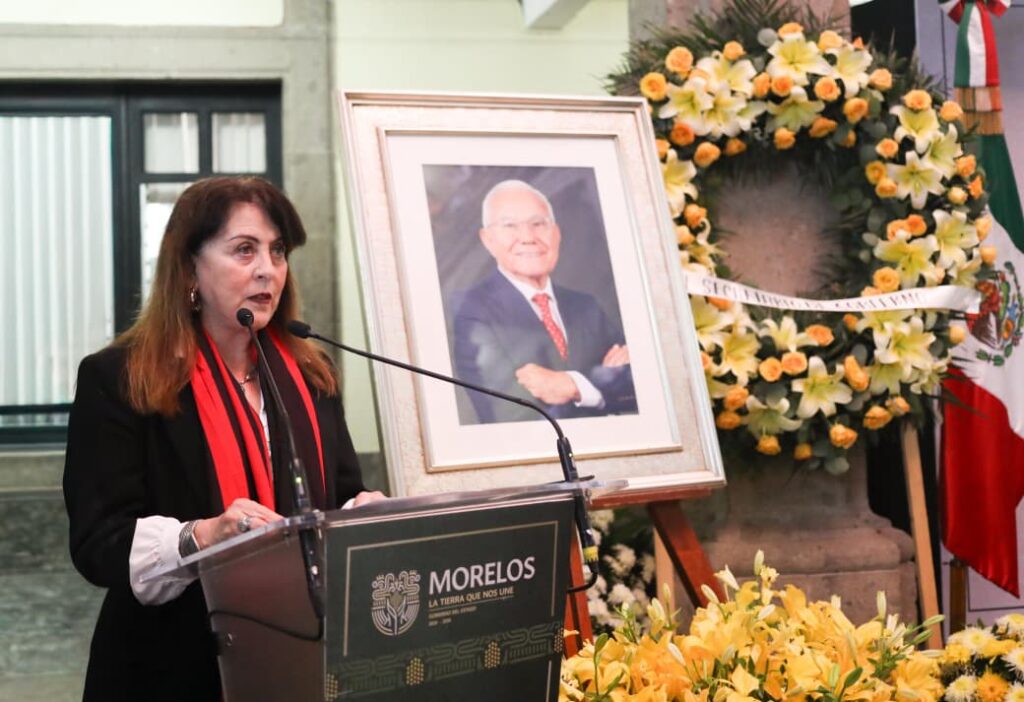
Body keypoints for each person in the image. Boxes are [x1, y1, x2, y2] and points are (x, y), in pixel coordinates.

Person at [62, 176, 384, 701]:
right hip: (171, 667)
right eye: (244, 250)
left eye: (277, 251)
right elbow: (99, 544)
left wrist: (363, 514)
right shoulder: (120, 378)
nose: (267, 269)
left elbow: (339, 496)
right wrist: (203, 536)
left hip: (301, 654)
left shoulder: (311, 375)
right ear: (190, 268)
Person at [451, 179, 637, 424]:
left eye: (538, 224)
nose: (528, 237)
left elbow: (638, 388)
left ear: (556, 234)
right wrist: (601, 384)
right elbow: (514, 417)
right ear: (488, 239)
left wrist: (572, 386)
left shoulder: (586, 306)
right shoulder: (470, 311)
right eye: (509, 226)